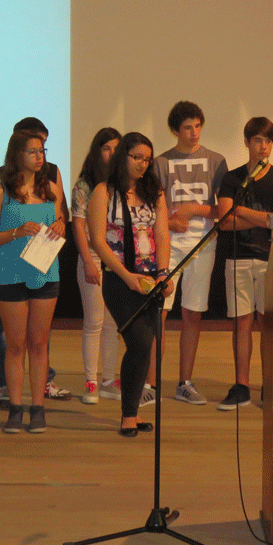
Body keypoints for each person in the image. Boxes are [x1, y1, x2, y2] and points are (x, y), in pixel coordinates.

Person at [88, 132, 172, 436]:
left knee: (145, 344)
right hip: (119, 279)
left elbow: (162, 234)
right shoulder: (103, 191)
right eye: (136, 157)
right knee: (137, 340)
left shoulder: (154, 191)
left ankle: (132, 415)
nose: (142, 163)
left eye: (147, 159)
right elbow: (98, 240)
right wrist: (127, 277)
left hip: (150, 279)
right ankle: (127, 415)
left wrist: (163, 273)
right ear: (123, 156)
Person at [0, 130, 64, 434]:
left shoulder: (52, 189)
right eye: (33, 151)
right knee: (15, 345)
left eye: (42, 151)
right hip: (10, 275)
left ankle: (37, 409)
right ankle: (15, 408)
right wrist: (16, 232)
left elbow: (61, 223)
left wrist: (58, 228)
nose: (40, 156)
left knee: (39, 344)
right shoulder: (0, 193)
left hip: (45, 272)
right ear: (17, 155)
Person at [146, 101, 228, 407]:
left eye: (197, 126)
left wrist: (194, 209)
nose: (194, 133)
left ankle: (185, 382)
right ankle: (151, 383)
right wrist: (169, 219)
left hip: (204, 244)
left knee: (193, 313)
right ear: (175, 130)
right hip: (168, 245)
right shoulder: (160, 163)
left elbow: (225, 207)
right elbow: (153, 208)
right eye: (187, 128)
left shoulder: (217, 161)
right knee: (160, 313)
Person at [215, 117, 273, 410]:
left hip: (269, 260)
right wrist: (255, 216)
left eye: (269, 141)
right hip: (237, 259)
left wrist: (241, 210)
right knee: (242, 324)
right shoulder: (232, 179)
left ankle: (269, 385)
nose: (264, 147)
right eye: (258, 140)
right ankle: (242, 386)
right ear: (247, 142)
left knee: (267, 324)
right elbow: (223, 222)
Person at [71, 127, 122, 404]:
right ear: (96, 151)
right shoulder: (84, 185)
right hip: (91, 258)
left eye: (116, 148)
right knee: (94, 322)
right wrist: (88, 261)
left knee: (113, 324)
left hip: (117, 261)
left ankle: (108, 381)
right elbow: (78, 226)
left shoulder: (123, 184)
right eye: (106, 148)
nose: (112, 154)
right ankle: (91, 382)